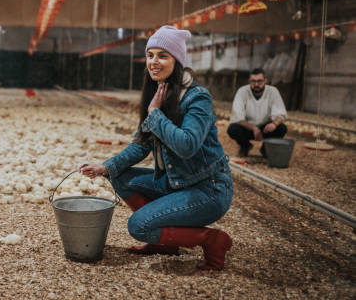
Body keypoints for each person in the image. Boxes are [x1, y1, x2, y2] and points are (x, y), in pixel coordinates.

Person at [79, 25, 234, 271]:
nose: (154, 61)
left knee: (139, 226)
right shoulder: (158, 90)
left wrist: (155, 114)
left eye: (163, 55)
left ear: (178, 60)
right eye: (150, 55)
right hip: (176, 183)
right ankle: (164, 242)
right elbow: (141, 144)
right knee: (118, 174)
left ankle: (211, 239)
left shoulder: (197, 98)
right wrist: (106, 166)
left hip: (208, 190)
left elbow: (187, 146)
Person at [227, 68, 288, 157]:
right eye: (253, 81)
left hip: (265, 128)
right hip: (248, 127)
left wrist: (274, 124)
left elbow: (280, 114)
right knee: (232, 129)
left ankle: (266, 148)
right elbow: (237, 116)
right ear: (249, 81)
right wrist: (254, 128)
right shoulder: (242, 91)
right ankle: (245, 146)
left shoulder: (273, 91)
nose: (256, 84)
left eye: (259, 81)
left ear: (265, 81)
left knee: (281, 128)